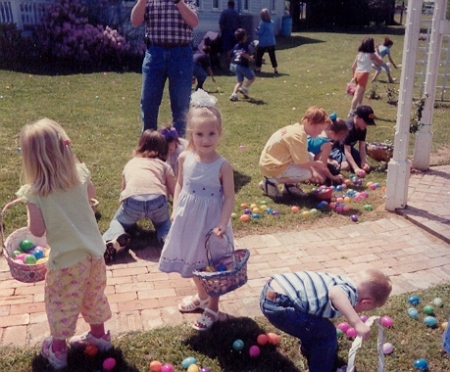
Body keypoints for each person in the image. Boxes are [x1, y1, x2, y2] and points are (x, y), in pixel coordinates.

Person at [16, 118, 112, 369]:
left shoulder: (35, 192)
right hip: (94, 254)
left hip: (66, 261)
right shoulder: (79, 175)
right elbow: (91, 195)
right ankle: (100, 336)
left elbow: (36, 229)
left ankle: (58, 351)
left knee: (61, 303)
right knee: (93, 296)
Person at [159, 89, 235, 331]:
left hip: (212, 223)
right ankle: (201, 298)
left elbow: (230, 196)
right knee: (193, 259)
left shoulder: (223, 166)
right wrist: (176, 205)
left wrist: (223, 222)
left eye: (211, 133)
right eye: (200, 134)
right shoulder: (185, 159)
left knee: (212, 265)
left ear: (219, 133)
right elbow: (180, 183)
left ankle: (212, 307)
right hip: (189, 218)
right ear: (191, 133)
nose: (206, 139)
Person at [260, 269, 392, 372]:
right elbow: (335, 293)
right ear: (366, 302)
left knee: (315, 325)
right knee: (326, 333)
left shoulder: (344, 282)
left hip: (274, 290)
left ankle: (309, 350)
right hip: (280, 304)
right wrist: (357, 323)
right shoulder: (351, 294)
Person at [102, 130, 175, 263]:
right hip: (157, 200)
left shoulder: (131, 163)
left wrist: (126, 209)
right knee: (163, 224)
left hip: (133, 200)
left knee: (118, 221)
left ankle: (113, 238)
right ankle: (167, 238)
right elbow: (175, 192)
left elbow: (123, 190)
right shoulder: (164, 165)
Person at [131, 0, 199, 136]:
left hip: (181, 53)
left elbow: (194, 22)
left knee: (180, 105)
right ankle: (149, 147)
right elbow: (135, 21)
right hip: (155, 53)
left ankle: (179, 148)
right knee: (148, 102)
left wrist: (178, 2)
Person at [258, 106, 332, 198]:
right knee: (306, 173)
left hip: (273, 161)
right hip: (272, 166)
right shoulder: (298, 137)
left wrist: (313, 164)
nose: (320, 133)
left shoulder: (297, 129)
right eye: (320, 129)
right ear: (311, 123)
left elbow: (303, 157)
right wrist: (317, 164)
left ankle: (290, 186)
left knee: (308, 156)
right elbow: (303, 164)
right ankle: (270, 182)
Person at [329, 105, 376, 178]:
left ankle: (351, 162)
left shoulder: (362, 128)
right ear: (357, 117)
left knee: (365, 165)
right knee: (346, 166)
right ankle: (330, 161)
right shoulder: (349, 129)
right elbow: (347, 151)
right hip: (336, 148)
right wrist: (355, 168)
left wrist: (363, 161)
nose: (367, 124)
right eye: (366, 122)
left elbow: (362, 147)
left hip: (348, 148)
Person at [307, 113, 348, 185]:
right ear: (333, 133)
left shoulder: (320, 132)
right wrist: (333, 177)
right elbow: (323, 166)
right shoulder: (327, 144)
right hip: (302, 160)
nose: (339, 140)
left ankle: (312, 169)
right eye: (340, 137)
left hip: (305, 155)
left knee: (328, 166)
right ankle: (306, 175)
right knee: (322, 179)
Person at [349, 37, 382, 118]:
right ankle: (351, 111)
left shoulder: (359, 54)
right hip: (364, 75)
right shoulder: (372, 55)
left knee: (361, 92)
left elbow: (353, 67)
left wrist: (354, 76)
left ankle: (360, 107)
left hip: (357, 73)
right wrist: (378, 51)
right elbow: (380, 62)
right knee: (357, 94)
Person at [229, 28, 256, 101]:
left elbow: (232, 54)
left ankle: (234, 94)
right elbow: (242, 53)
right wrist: (250, 58)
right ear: (244, 36)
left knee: (239, 82)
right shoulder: (244, 45)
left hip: (236, 65)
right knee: (252, 78)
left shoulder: (236, 45)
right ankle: (244, 88)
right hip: (243, 65)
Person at [255, 8, 278, 74]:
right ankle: (275, 69)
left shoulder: (262, 23)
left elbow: (260, 32)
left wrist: (256, 31)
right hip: (271, 41)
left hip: (263, 42)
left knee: (259, 56)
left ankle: (258, 68)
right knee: (272, 56)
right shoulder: (272, 22)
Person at [219, 0, 240, 71]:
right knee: (234, 50)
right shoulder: (237, 13)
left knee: (228, 50)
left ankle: (228, 66)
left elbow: (221, 23)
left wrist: (222, 31)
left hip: (227, 32)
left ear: (228, 5)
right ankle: (234, 65)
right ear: (234, 5)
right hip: (235, 33)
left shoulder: (225, 12)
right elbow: (239, 23)